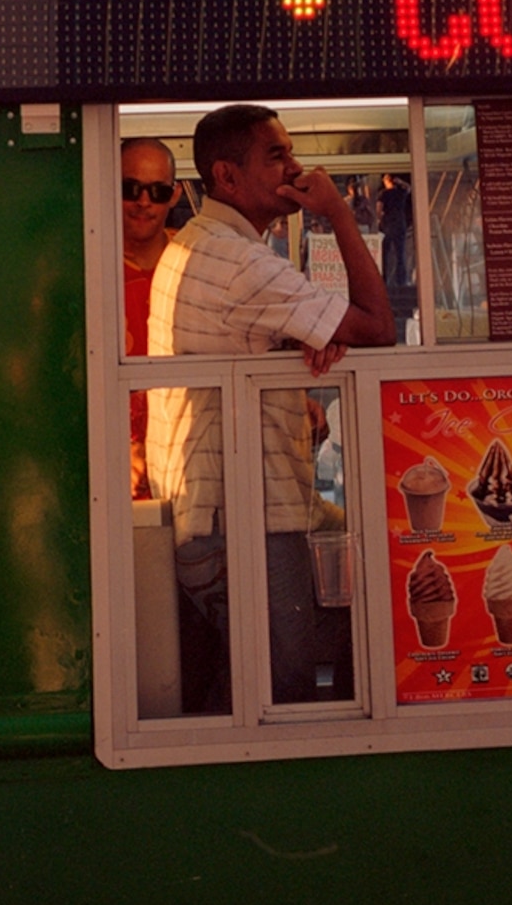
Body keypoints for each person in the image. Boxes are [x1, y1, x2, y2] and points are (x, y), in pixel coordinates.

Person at [145, 105, 398, 709]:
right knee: (279, 686)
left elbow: (288, 329)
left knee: (377, 580)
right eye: (276, 155)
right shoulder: (242, 262)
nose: (295, 166)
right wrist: (338, 212)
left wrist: (299, 340)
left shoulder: (202, 244)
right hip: (245, 518)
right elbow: (380, 326)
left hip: (222, 508)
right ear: (228, 178)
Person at [119, 137, 180, 494]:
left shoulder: (199, 266)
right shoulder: (82, 272)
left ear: (173, 196)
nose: (144, 201)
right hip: (111, 482)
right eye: (131, 188)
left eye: (157, 191)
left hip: (189, 477)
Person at [376, 170, 419, 347]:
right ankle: (401, 280)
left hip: (388, 225)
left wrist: (380, 220)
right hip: (400, 223)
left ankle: (385, 280)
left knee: (385, 254)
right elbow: (408, 189)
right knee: (400, 254)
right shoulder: (401, 191)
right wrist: (401, 183)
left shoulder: (384, 194)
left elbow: (379, 210)